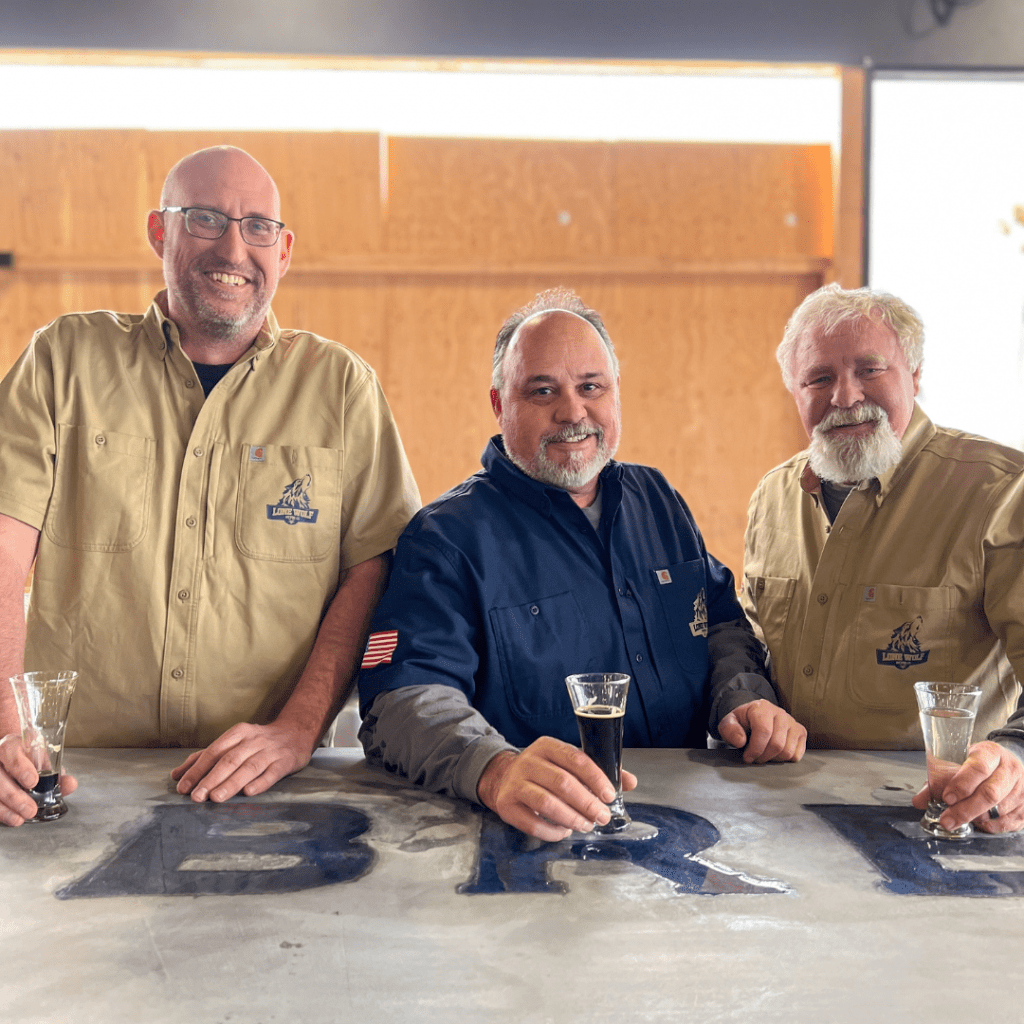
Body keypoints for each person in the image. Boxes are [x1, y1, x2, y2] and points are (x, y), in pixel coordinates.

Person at [0, 146, 419, 826]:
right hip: (72, 781)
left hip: (270, 786)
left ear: (283, 251)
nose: (233, 247)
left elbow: (373, 572)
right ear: (159, 231)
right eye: (205, 218)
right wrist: (5, 732)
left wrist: (298, 730)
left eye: (257, 227)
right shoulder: (63, 362)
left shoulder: (341, 389)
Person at [358, 288, 805, 842]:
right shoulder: (445, 539)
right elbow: (402, 702)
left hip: (684, 830)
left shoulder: (659, 502)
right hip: (528, 838)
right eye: (542, 391)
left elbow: (718, 623)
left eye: (591, 387)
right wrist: (494, 769)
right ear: (499, 404)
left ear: (616, 392)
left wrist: (744, 694)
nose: (572, 412)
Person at [742, 282, 1024, 834]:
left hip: (944, 815)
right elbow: (752, 644)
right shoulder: (772, 496)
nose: (845, 397)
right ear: (794, 391)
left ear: (915, 376)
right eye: (819, 378)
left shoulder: (1000, 492)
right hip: (785, 818)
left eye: (869, 370)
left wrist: (1017, 756)